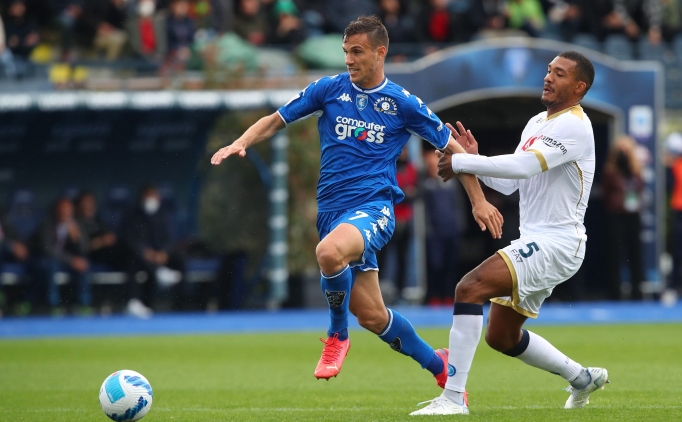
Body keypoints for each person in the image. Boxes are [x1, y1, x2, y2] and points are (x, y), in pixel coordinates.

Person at [211, 15, 503, 387]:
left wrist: (478, 201)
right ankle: (440, 367)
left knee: (328, 253)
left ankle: (337, 336)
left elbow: (455, 150)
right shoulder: (328, 89)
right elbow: (275, 119)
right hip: (332, 213)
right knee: (373, 317)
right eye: (346, 52)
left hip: (373, 208)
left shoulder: (403, 103)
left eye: (357, 52)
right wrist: (240, 142)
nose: (349, 60)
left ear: (380, 53)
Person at [411, 51, 608, 415]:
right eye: (548, 70)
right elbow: (510, 183)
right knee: (501, 336)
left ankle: (452, 398)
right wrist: (475, 160)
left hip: (558, 242)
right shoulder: (537, 122)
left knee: (469, 288)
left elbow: (524, 166)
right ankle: (582, 378)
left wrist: (462, 160)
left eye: (559, 74)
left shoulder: (575, 125)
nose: (548, 77)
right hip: (537, 241)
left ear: (579, 87)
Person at [121, 185, 184, 316]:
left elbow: (170, 238)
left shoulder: (163, 214)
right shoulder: (133, 214)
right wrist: (145, 252)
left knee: (181, 260)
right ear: (142, 197)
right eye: (147, 196)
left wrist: (165, 252)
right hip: (141, 255)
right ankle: (135, 301)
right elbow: (129, 239)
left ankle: (182, 303)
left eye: (153, 195)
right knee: (133, 259)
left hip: (160, 254)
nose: (151, 199)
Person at [28, 197, 91, 315]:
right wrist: (71, 260)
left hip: (64, 262)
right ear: (56, 210)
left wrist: (77, 239)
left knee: (83, 263)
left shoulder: (76, 224)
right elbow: (48, 250)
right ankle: (53, 303)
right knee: (50, 266)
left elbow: (84, 249)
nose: (65, 213)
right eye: (62, 210)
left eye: (68, 210)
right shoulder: (46, 224)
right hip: (44, 260)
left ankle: (84, 302)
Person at [602, 135, 645, 300]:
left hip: (633, 215)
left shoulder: (636, 169)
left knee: (635, 254)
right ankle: (615, 292)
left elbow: (640, 187)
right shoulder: (610, 170)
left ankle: (637, 292)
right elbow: (607, 193)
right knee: (615, 254)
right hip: (617, 215)